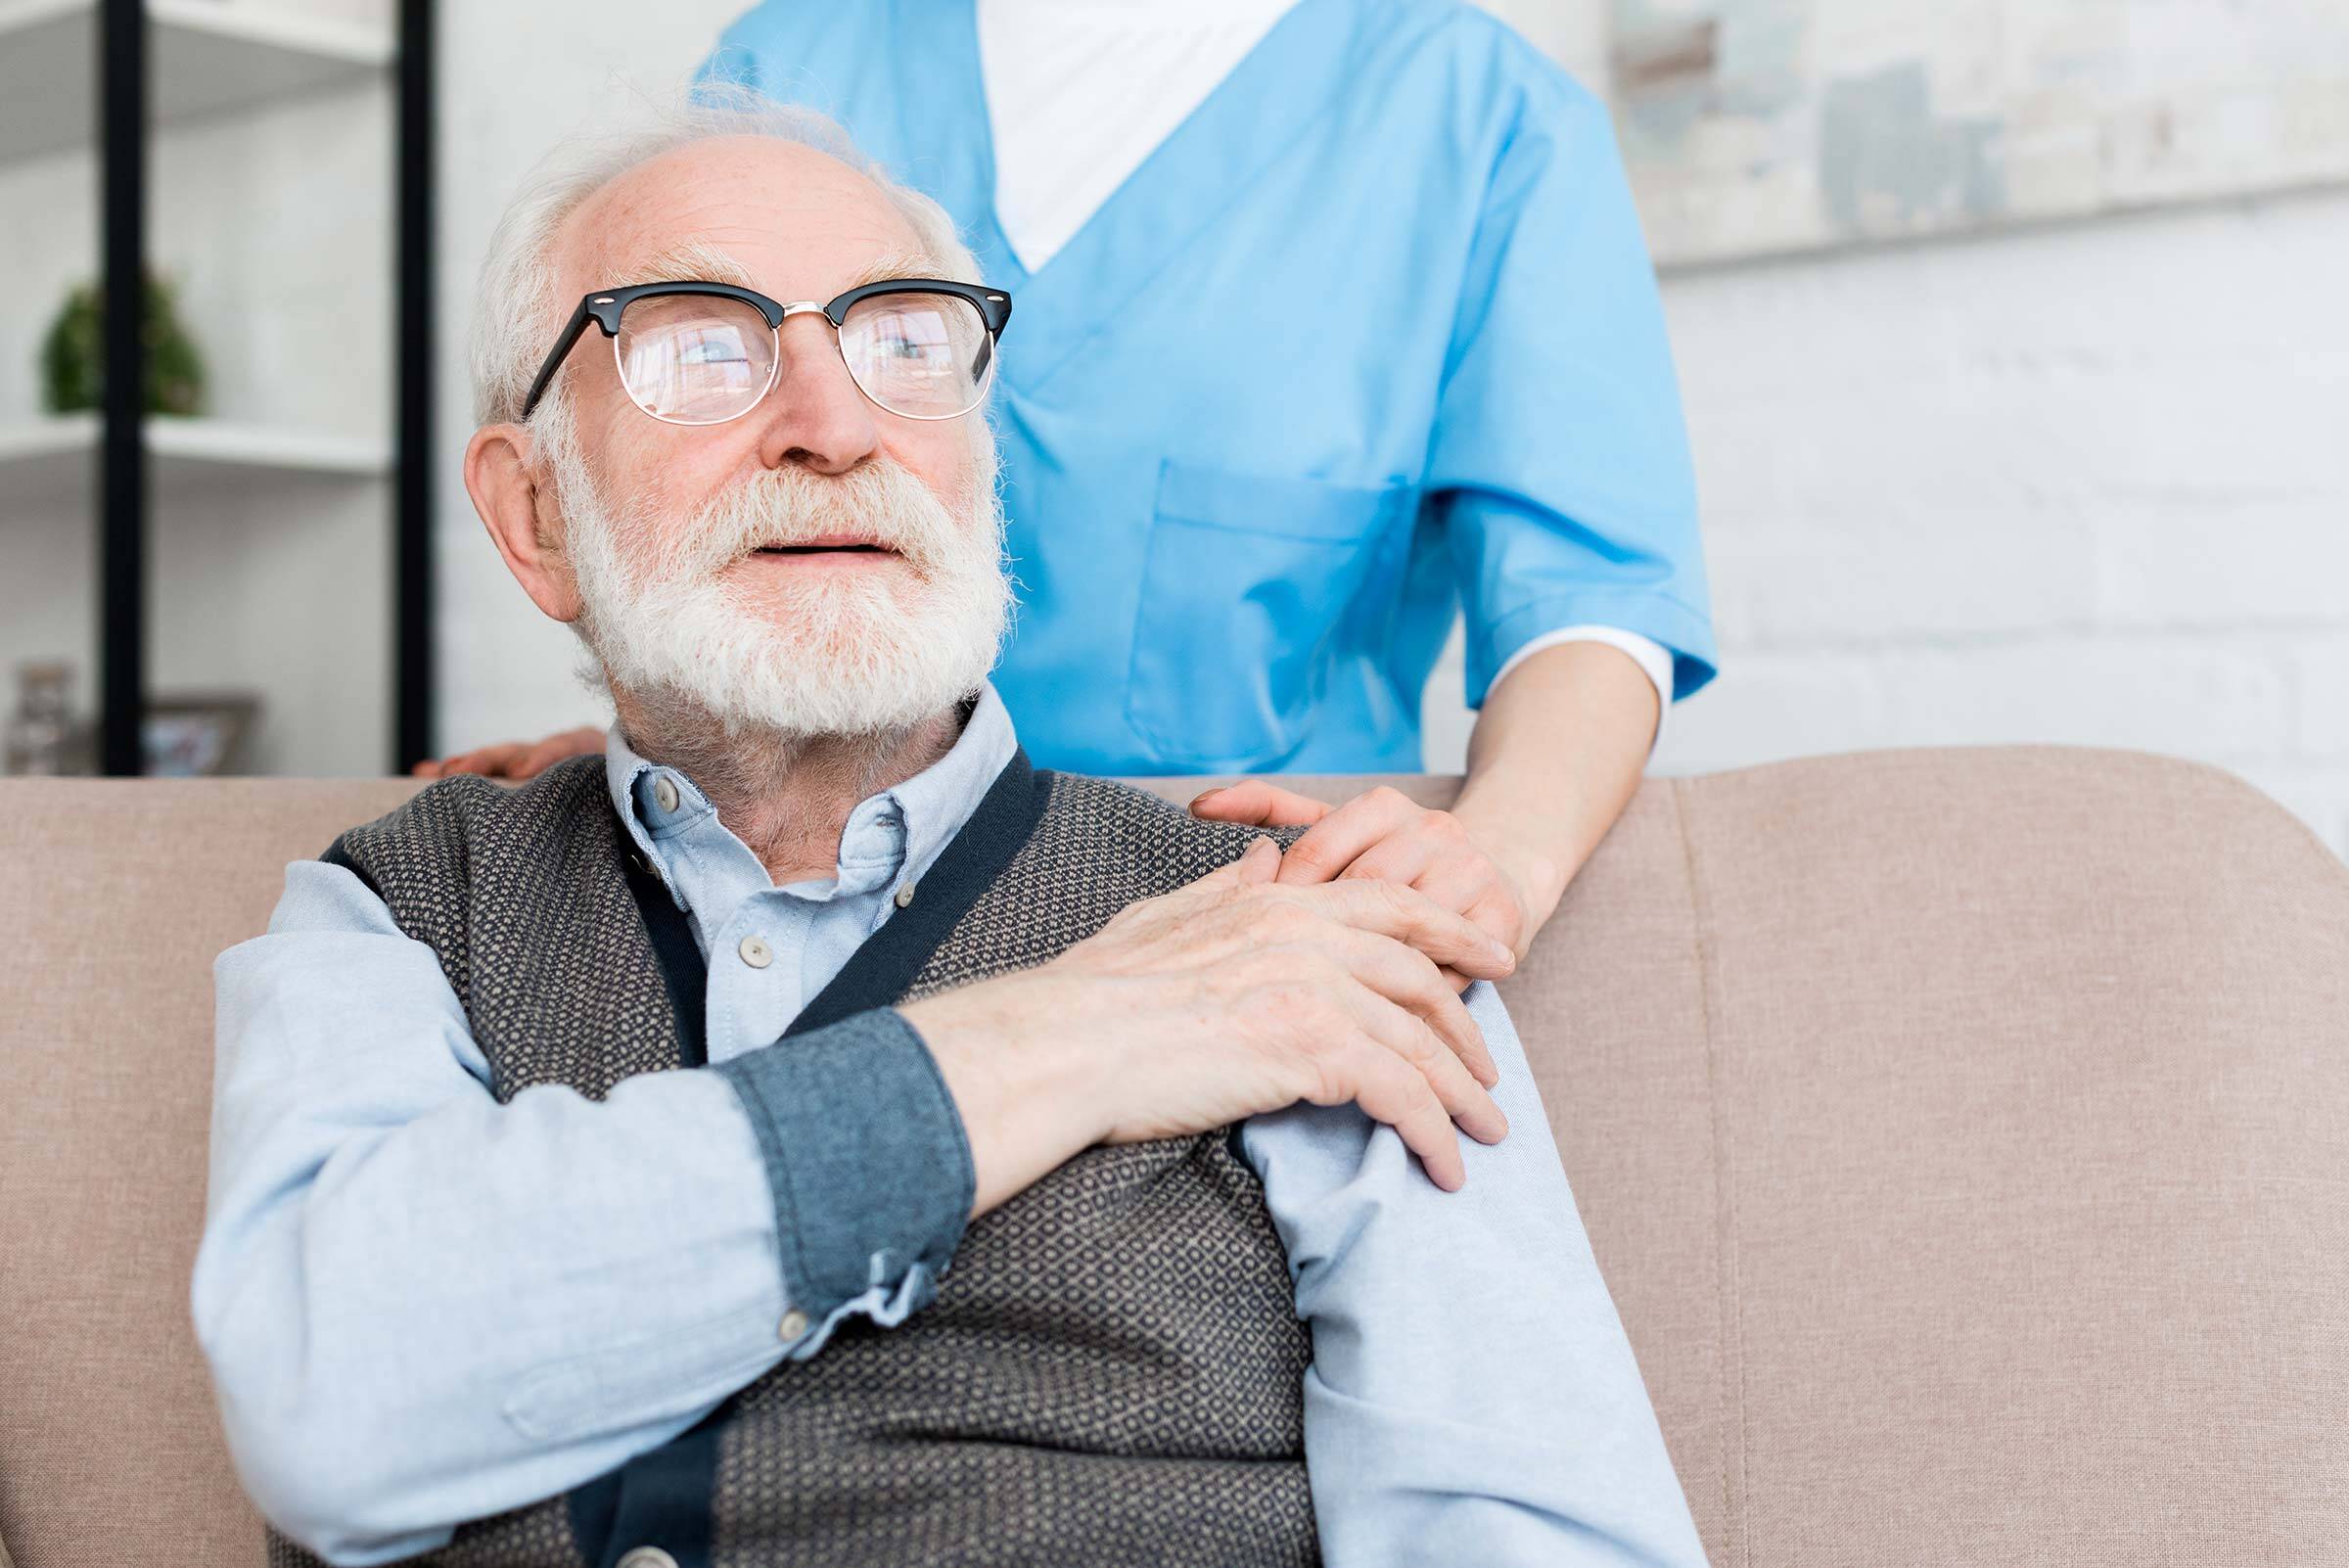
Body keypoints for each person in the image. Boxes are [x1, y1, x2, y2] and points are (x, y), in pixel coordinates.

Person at [193, 103, 1706, 1567]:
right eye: (701, 348)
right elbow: (329, 1397)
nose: (834, 426)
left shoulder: (1301, 939)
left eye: (903, 341)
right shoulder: (393, 910)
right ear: (535, 516)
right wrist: (1091, 1029)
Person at [417, 0, 1716, 970]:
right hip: (816, 899)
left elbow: (1591, 599)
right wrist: (678, 747)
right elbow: (683, 471)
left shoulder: (1470, 111)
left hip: (1245, 908)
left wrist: (1502, 855)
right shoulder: (797, 52)